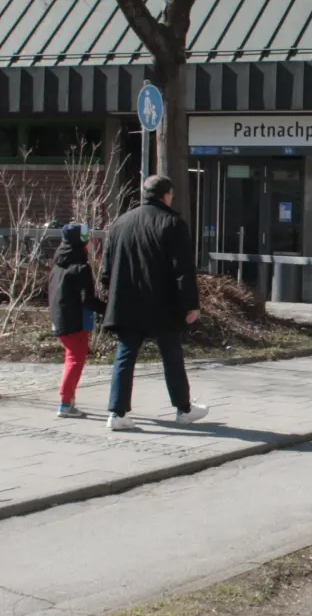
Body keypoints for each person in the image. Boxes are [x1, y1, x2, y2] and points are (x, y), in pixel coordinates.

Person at [99, 174, 208, 432]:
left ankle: (117, 412)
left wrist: (110, 294)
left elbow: (106, 269)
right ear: (166, 195)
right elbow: (183, 270)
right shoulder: (172, 223)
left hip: (127, 302)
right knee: (171, 355)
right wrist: (191, 304)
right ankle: (183, 409)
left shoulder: (120, 223)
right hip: (162, 304)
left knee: (125, 355)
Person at [48, 223, 105, 418]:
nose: (90, 243)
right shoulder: (81, 267)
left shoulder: (58, 265)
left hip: (59, 318)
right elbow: (87, 299)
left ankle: (69, 400)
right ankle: (65, 403)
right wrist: (108, 309)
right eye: (87, 239)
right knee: (75, 360)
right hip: (75, 321)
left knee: (70, 358)